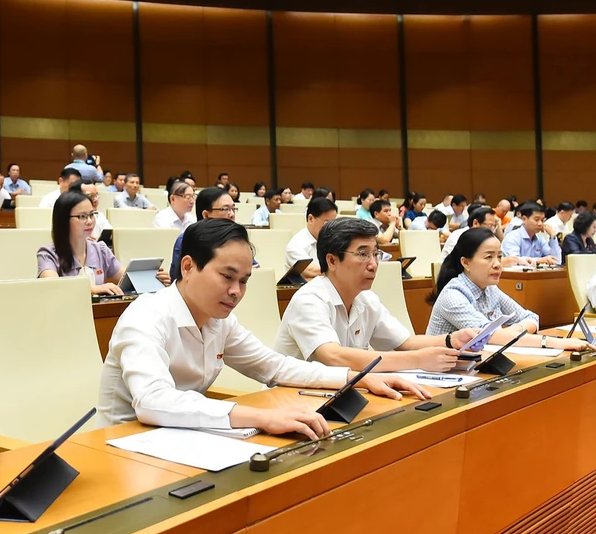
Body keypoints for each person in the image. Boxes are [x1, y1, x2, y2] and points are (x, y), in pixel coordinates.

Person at [97, 219, 427, 437]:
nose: (236, 291)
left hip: (188, 434)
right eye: (227, 277)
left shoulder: (221, 320)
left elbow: (274, 367)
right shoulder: (146, 316)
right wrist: (259, 416)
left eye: (244, 281)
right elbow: (153, 400)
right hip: (126, 442)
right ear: (188, 266)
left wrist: (358, 378)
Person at [276, 218, 477, 375]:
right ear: (332, 260)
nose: (373, 264)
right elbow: (333, 357)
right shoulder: (309, 300)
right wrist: (418, 359)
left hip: (342, 395)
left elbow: (405, 343)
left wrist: (451, 339)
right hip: (290, 400)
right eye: (363, 254)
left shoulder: (367, 299)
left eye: (375, 254)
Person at [425, 229, 593, 351]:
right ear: (466, 263)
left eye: (499, 256)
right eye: (488, 257)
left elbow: (531, 317)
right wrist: (558, 343)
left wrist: (511, 332)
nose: (498, 263)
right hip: (443, 371)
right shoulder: (453, 295)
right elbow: (486, 337)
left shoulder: (490, 289)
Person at [37, 190, 126, 295]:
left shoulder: (101, 250)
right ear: (64, 220)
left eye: (92, 214)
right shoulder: (48, 254)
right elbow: (54, 287)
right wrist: (95, 289)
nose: (90, 221)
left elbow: (127, 278)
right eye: (82, 216)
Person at [169, 186, 246, 282]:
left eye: (233, 209)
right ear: (205, 215)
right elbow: (177, 281)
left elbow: (254, 267)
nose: (232, 214)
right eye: (225, 209)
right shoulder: (187, 240)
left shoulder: (237, 239)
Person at [284, 198, 340, 280]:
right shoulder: (296, 244)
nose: (331, 228)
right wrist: (341, 269)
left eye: (333, 223)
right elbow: (309, 270)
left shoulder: (333, 239)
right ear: (310, 219)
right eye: (327, 223)